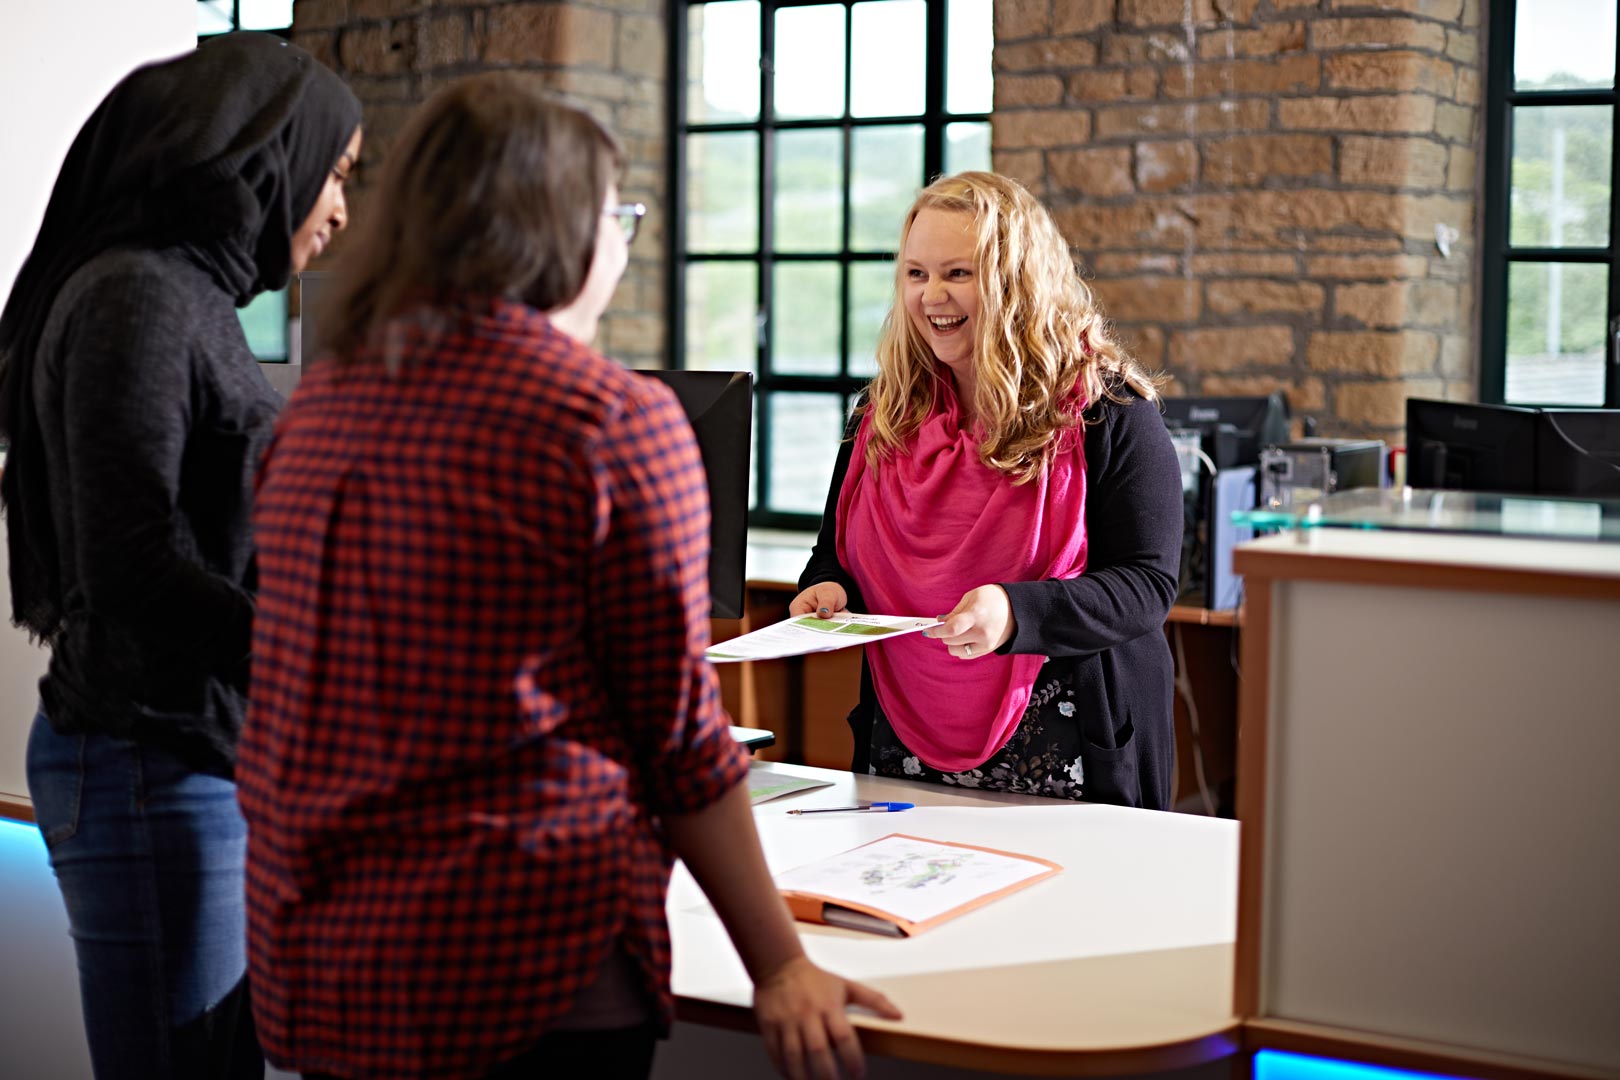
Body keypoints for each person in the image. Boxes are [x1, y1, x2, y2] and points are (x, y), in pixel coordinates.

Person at [238, 74, 899, 1080]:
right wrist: (779, 964)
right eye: (617, 216)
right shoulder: (606, 421)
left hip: (329, 951)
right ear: (560, 230)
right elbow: (680, 741)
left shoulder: (321, 407)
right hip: (523, 959)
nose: (622, 247)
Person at [0, 33, 362, 1080]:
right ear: (265, 156)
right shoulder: (141, 297)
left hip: (182, 754)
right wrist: (311, 653)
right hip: (148, 758)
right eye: (336, 172)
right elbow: (130, 562)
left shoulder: (188, 296)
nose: (342, 209)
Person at [792, 171, 1182, 810]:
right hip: (905, 740)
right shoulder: (880, 416)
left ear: (1017, 281)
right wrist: (828, 588)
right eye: (915, 274)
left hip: (1068, 749)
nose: (931, 296)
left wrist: (1016, 612)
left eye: (957, 273)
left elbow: (1147, 585)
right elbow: (834, 555)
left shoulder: (1108, 411)